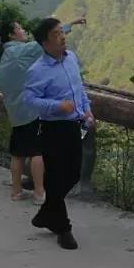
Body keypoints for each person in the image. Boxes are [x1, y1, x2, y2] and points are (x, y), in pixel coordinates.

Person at [0, 17, 86, 203]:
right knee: (38, 152)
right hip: (31, 112)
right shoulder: (21, 51)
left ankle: (16, 191)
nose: (23, 31)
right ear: (11, 35)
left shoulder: (1, 58)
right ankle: (39, 192)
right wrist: (70, 25)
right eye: (19, 28)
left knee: (18, 153)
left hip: (14, 113)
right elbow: (46, 42)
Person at [21, 18, 93, 250]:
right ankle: (63, 229)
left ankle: (46, 213)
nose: (62, 37)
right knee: (54, 177)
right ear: (44, 43)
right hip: (53, 128)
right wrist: (56, 106)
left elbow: (79, 88)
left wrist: (87, 109)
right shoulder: (37, 70)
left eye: (62, 32)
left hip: (74, 126)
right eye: (56, 34)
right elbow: (29, 99)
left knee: (73, 174)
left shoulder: (71, 58)